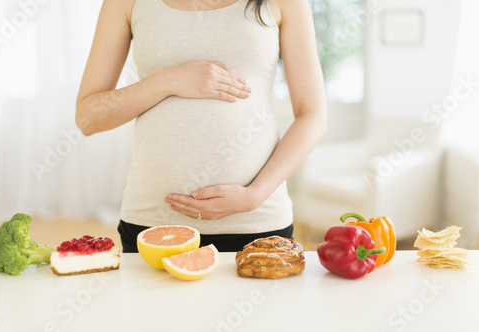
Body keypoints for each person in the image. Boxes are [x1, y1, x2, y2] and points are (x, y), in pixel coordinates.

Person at [75, 0, 327, 252]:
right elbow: (87, 117)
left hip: (256, 223)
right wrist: (168, 80)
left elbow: (312, 115)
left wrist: (254, 196)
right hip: (153, 224)